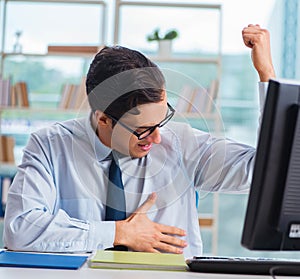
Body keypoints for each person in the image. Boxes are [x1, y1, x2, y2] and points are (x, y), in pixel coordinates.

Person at [3, 24, 275, 258]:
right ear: (103, 119)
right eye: (143, 129)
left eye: (161, 121)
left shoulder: (180, 143)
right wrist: (119, 233)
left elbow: (262, 173)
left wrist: (267, 77)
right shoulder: (50, 146)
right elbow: (20, 229)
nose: (157, 137)